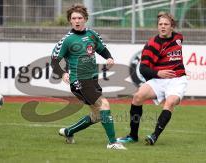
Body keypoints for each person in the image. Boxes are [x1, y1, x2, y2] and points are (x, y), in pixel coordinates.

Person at [51, 4, 126, 150]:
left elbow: (102, 49)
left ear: (85, 19)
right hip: (79, 81)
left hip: (92, 79)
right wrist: (62, 73)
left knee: (97, 115)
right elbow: (54, 60)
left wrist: (109, 58)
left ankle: (69, 131)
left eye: (79, 18)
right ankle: (112, 143)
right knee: (104, 105)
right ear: (70, 21)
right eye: (73, 18)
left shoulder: (92, 34)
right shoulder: (67, 40)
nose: (77, 21)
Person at [117, 11, 188, 145]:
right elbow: (143, 69)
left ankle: (154, 136)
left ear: (172, 26)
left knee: (170, 102)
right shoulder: (151, 45)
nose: (163, 26)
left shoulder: (178, 38)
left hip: (178, 80)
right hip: (159, 79)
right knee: (138, 96)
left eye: (166, 24)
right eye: (160, 24)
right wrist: (158, 73)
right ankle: (132, 136)